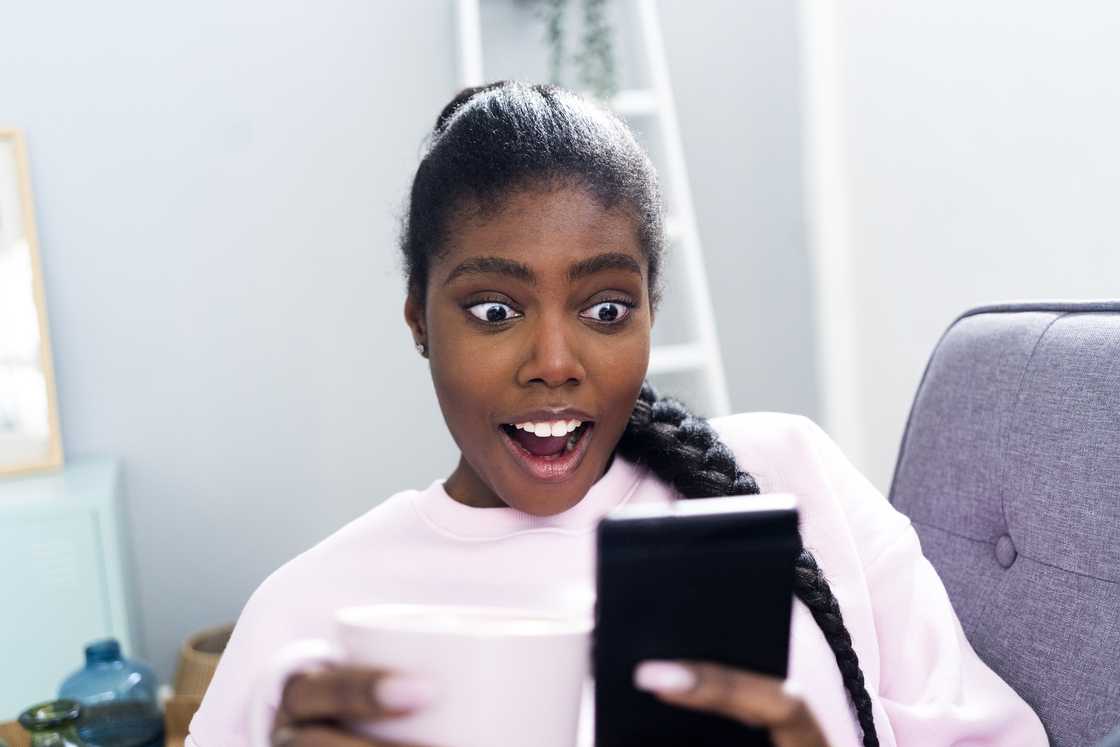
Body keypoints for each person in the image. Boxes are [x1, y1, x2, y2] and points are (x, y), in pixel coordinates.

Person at [186, 81, 1047, 747]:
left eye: (604, 308)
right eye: (494, 309)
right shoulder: (308, 613)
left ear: (649, 307)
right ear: (418, 317)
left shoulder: (792, 480)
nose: (555, 363)